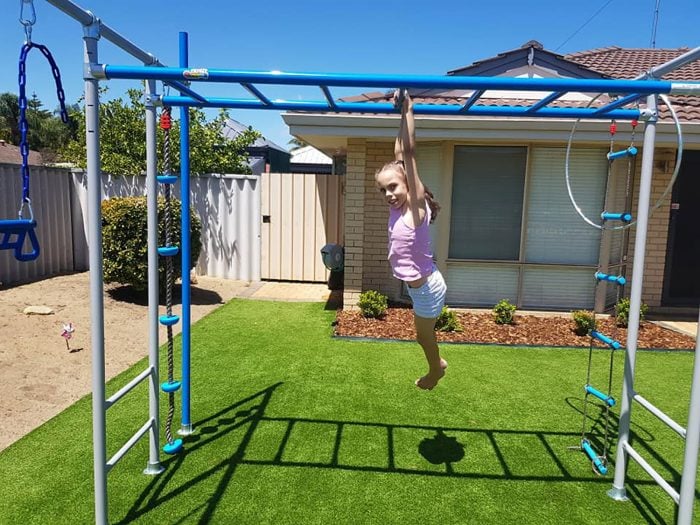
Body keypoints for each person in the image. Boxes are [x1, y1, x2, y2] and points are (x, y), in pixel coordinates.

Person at [375, 90, 448, 390]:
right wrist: (399, 114)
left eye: (393, 187)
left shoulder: (416, 209)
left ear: (409, 184)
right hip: (421, 286)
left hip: (427, 289)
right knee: (422, 334)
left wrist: (409, 110)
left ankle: (436, 370)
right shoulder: (400, 205)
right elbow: (399, 150)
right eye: (383, 190)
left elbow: (409, 153)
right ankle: (436, 364)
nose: (389, 194)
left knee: (423, 336)